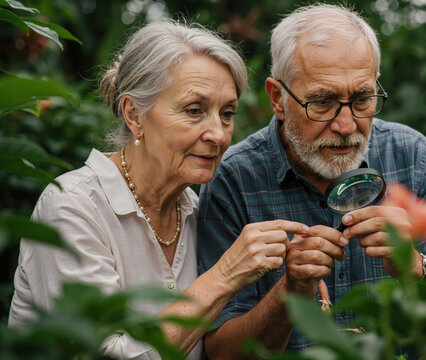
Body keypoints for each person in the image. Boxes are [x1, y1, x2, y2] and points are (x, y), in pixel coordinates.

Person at [8, 20, 309, 359]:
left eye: (226, 113)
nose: (219, 134)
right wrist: (225, 275)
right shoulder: (72, 207)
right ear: (134, 114)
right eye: (194, 110)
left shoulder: (196, 211)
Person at [196, 4, 426, 358]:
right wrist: (290, 292)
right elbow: (219, 352)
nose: (346, 125)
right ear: (277, 98)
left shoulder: (412, 157)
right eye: (322, 102)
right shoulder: (234, 179)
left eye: (362, 98)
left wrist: (415, 266)